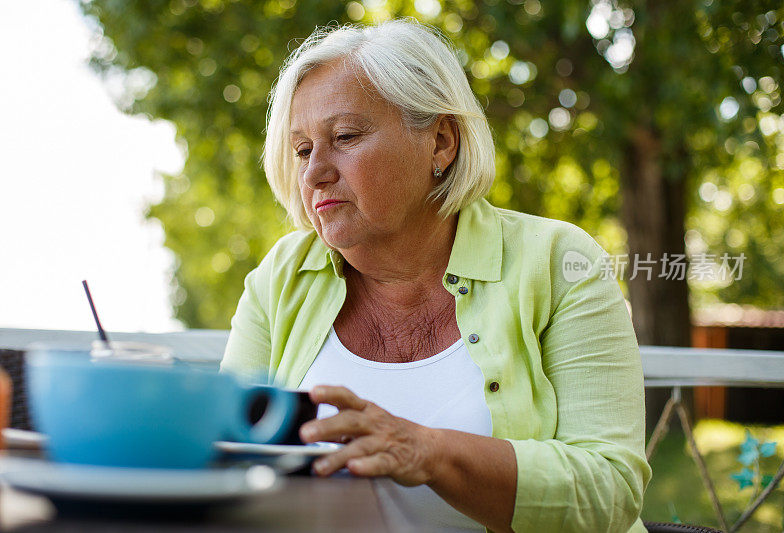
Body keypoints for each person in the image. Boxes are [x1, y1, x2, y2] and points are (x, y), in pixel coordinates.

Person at [221, 18, 651, 533]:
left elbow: (609, 487)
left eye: (345, 136)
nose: (314, 173)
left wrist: (427, 451)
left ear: (442, 142)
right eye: (303, 150)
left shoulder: (559, 262)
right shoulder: (279, 279)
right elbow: (224, 456)